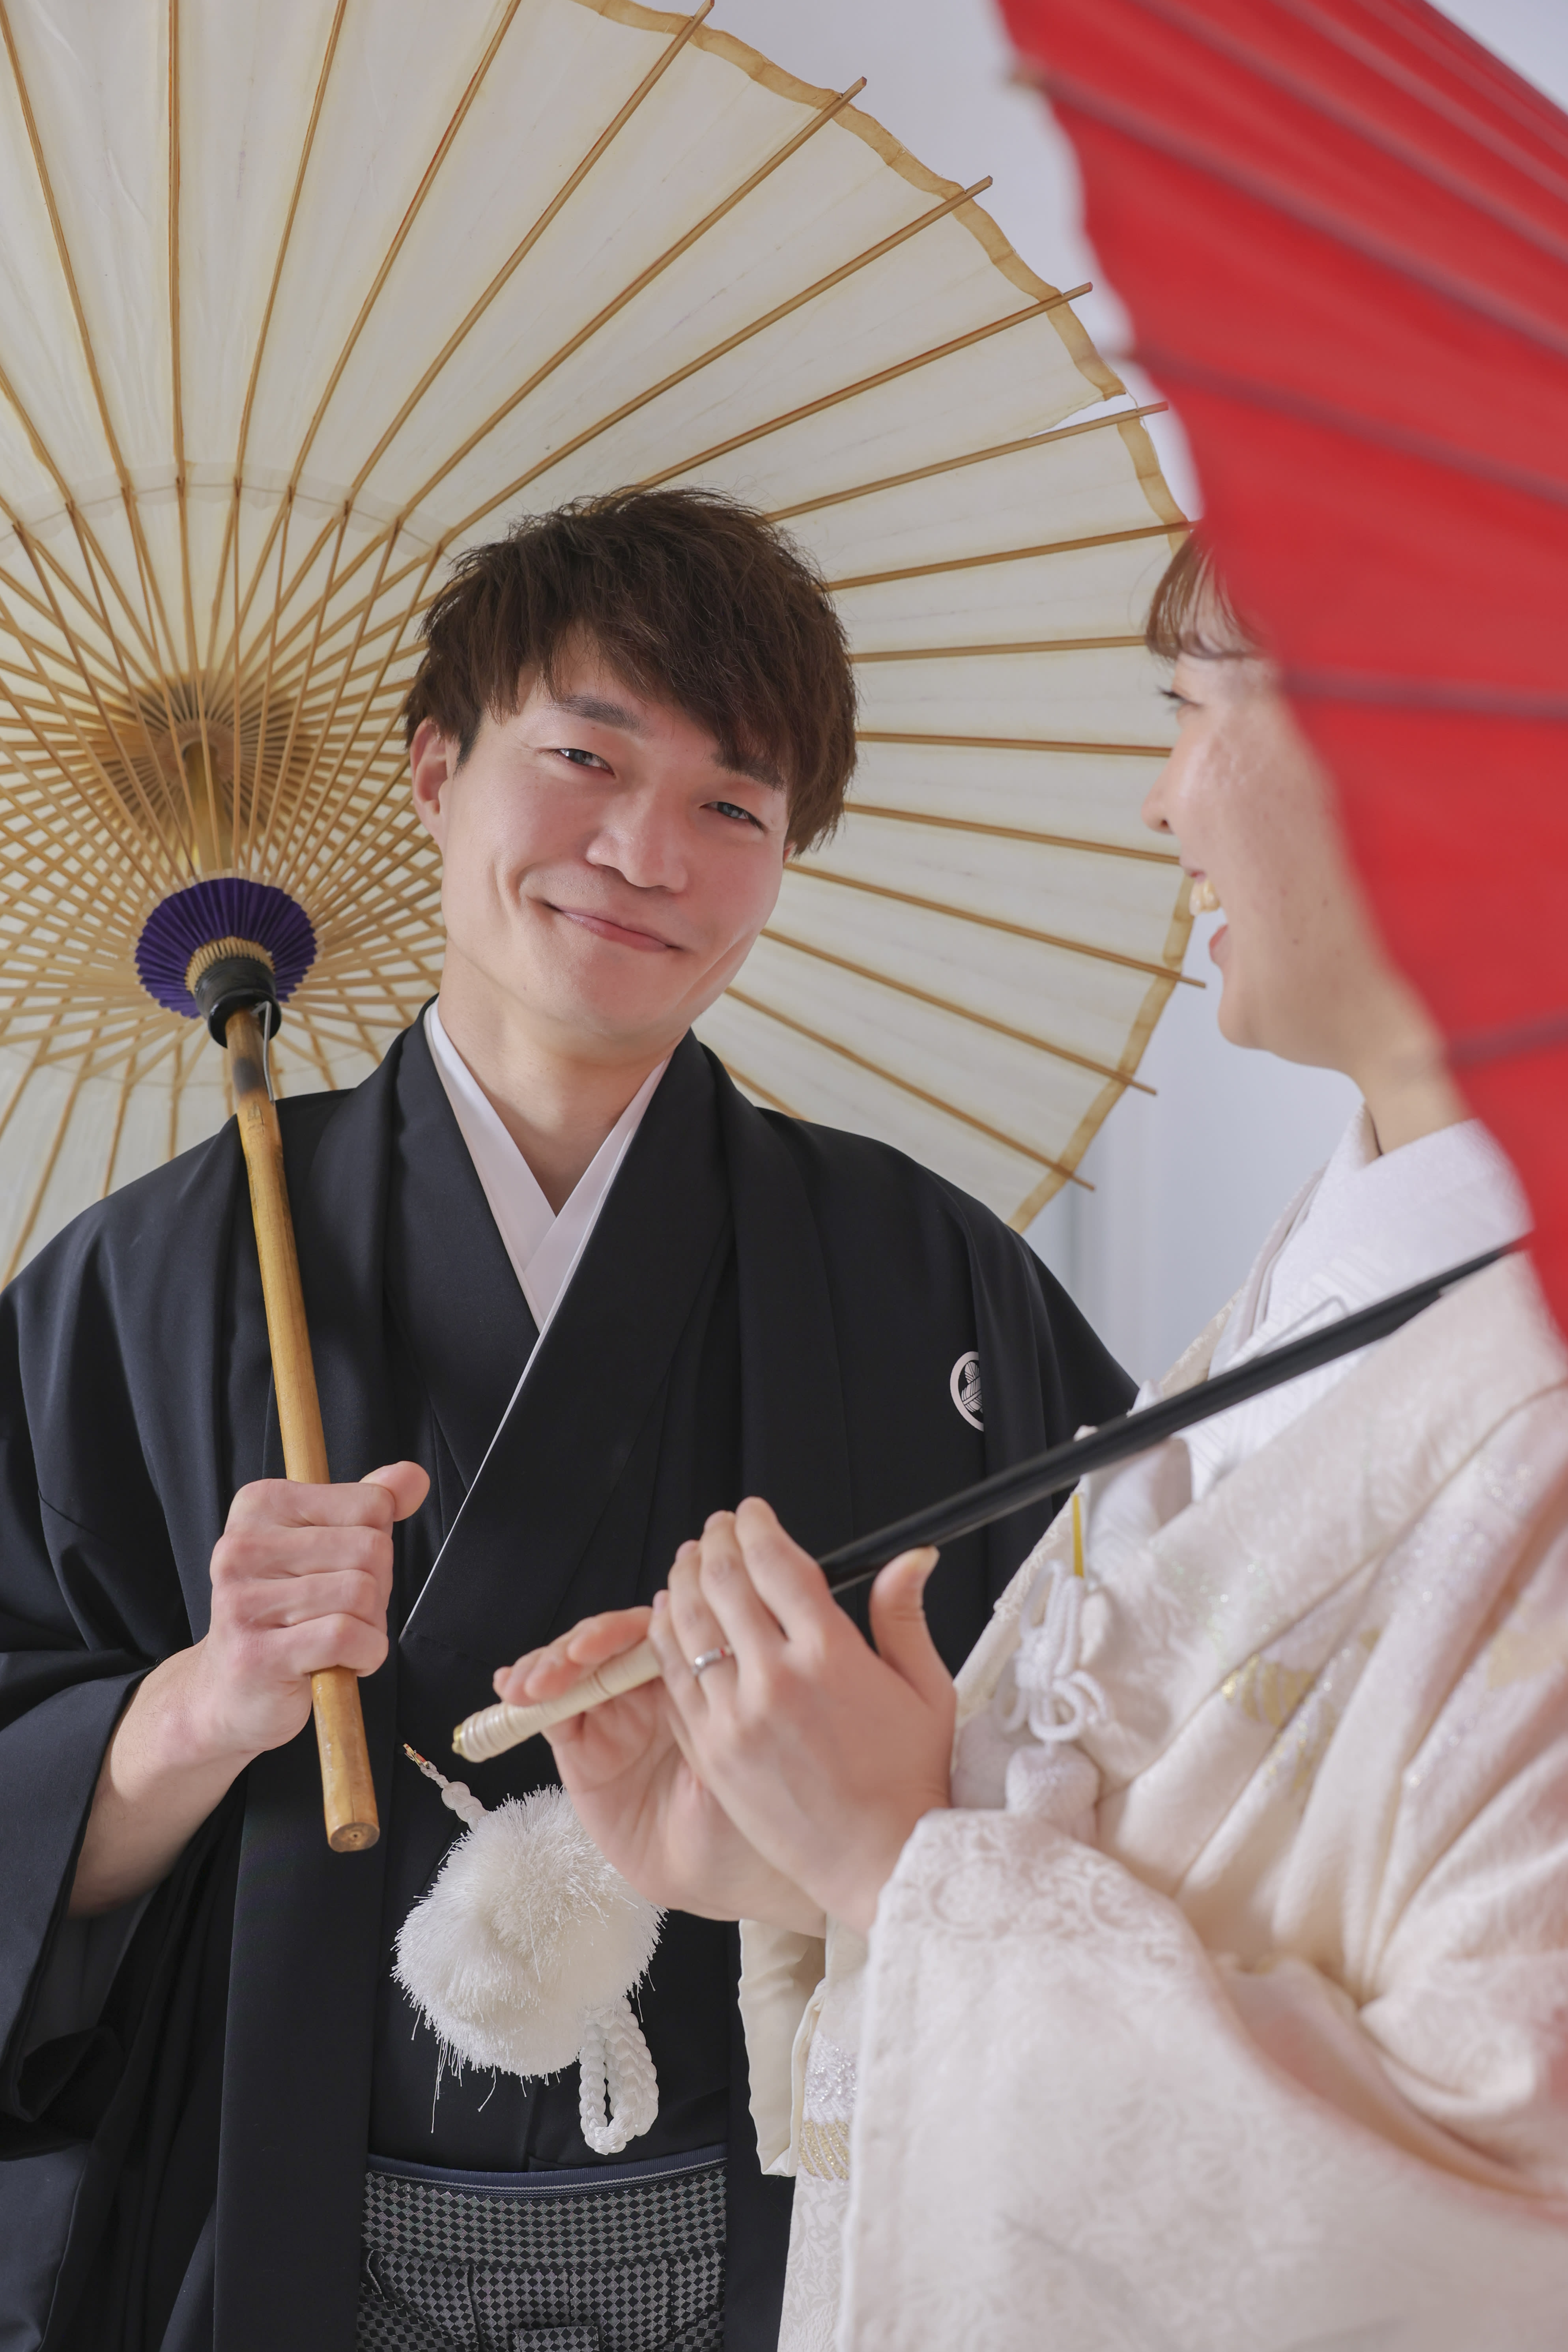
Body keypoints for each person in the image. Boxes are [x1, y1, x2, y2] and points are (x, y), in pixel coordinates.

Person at [0, 488, 1133, 2352]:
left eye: (732, 806)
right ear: (436, 770)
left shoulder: (924, 1276)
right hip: (278, 2235)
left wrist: (881, 1777)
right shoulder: (146, 1285)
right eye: (585, 759)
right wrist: (197, 1710)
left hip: (788, 2251)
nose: (643, 852)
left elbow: (1123, 1749)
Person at [519, 537, 1568, 2349]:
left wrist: (901, 1870)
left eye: (1195, 709)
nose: (1164, 802)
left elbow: (1488, 2210)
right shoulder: (1340, 1265)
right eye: (582, 762)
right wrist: (802, 1838)